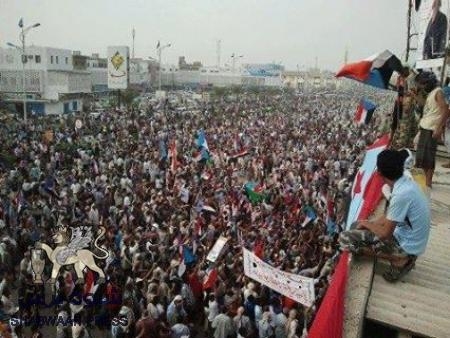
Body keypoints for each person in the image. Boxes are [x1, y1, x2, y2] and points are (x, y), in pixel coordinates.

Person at [339, 149, 431, 282]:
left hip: (407, 246)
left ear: (380, 173)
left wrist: (367, 224)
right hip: (411, 240)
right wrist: (369, 224)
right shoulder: (405, 182)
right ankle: (399, 256)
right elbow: (391, 216)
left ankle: (399, 259)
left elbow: (385, 234)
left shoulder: (401, 194)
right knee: (356, 225)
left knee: (344, 239)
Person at [414, 71, 449, 188]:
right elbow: (428, 107)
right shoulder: (432, 93)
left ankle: (428, 183)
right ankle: (426, 181)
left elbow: (446, 109)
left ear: (428, 82)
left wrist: (439, 128)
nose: (422, 87)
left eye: (422, 84)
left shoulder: (438, 92)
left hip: (431, 128)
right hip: (425, 127)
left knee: (428, 158)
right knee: (422, 158)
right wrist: (416, 96)